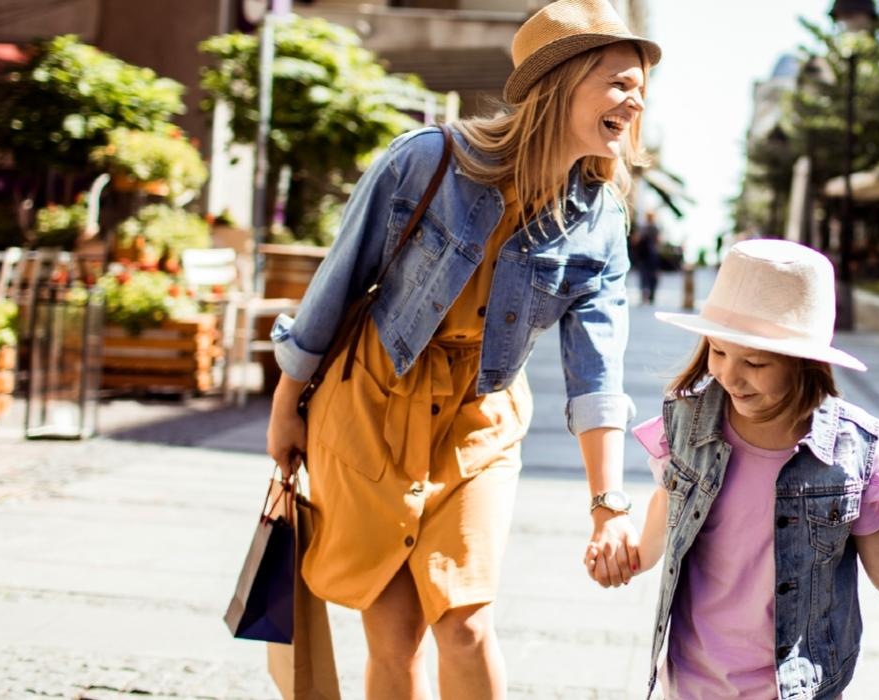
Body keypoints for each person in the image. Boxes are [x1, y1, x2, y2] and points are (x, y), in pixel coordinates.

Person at [262, 1, 658, 696]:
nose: (635, 101)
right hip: (371, 404)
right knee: (395, 636)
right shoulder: (428, 163)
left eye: (640, 89)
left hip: (480, 420)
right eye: (618, 82)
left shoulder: (600, 222)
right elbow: (335, 285)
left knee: (466, 623)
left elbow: (597, 369)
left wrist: (609, 503)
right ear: (560, 81)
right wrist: (286, 405)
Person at [603, 239, 879, 699]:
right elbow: (662, 532)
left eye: (755, 362)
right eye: (718, 352)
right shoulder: (685, 426)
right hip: (692, 682)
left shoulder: (854, 452)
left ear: (805, 362)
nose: (729, 375)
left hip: (795, 688)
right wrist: (621, 554)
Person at [632, 210, 663, 305]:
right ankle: (651, 295)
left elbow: (635, 241)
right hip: (653, 255)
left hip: (644, 256)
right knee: (652, 276)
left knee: (644, 275)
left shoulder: (643, 228)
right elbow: (659, 241)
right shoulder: (656, 228)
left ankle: (644, 294)